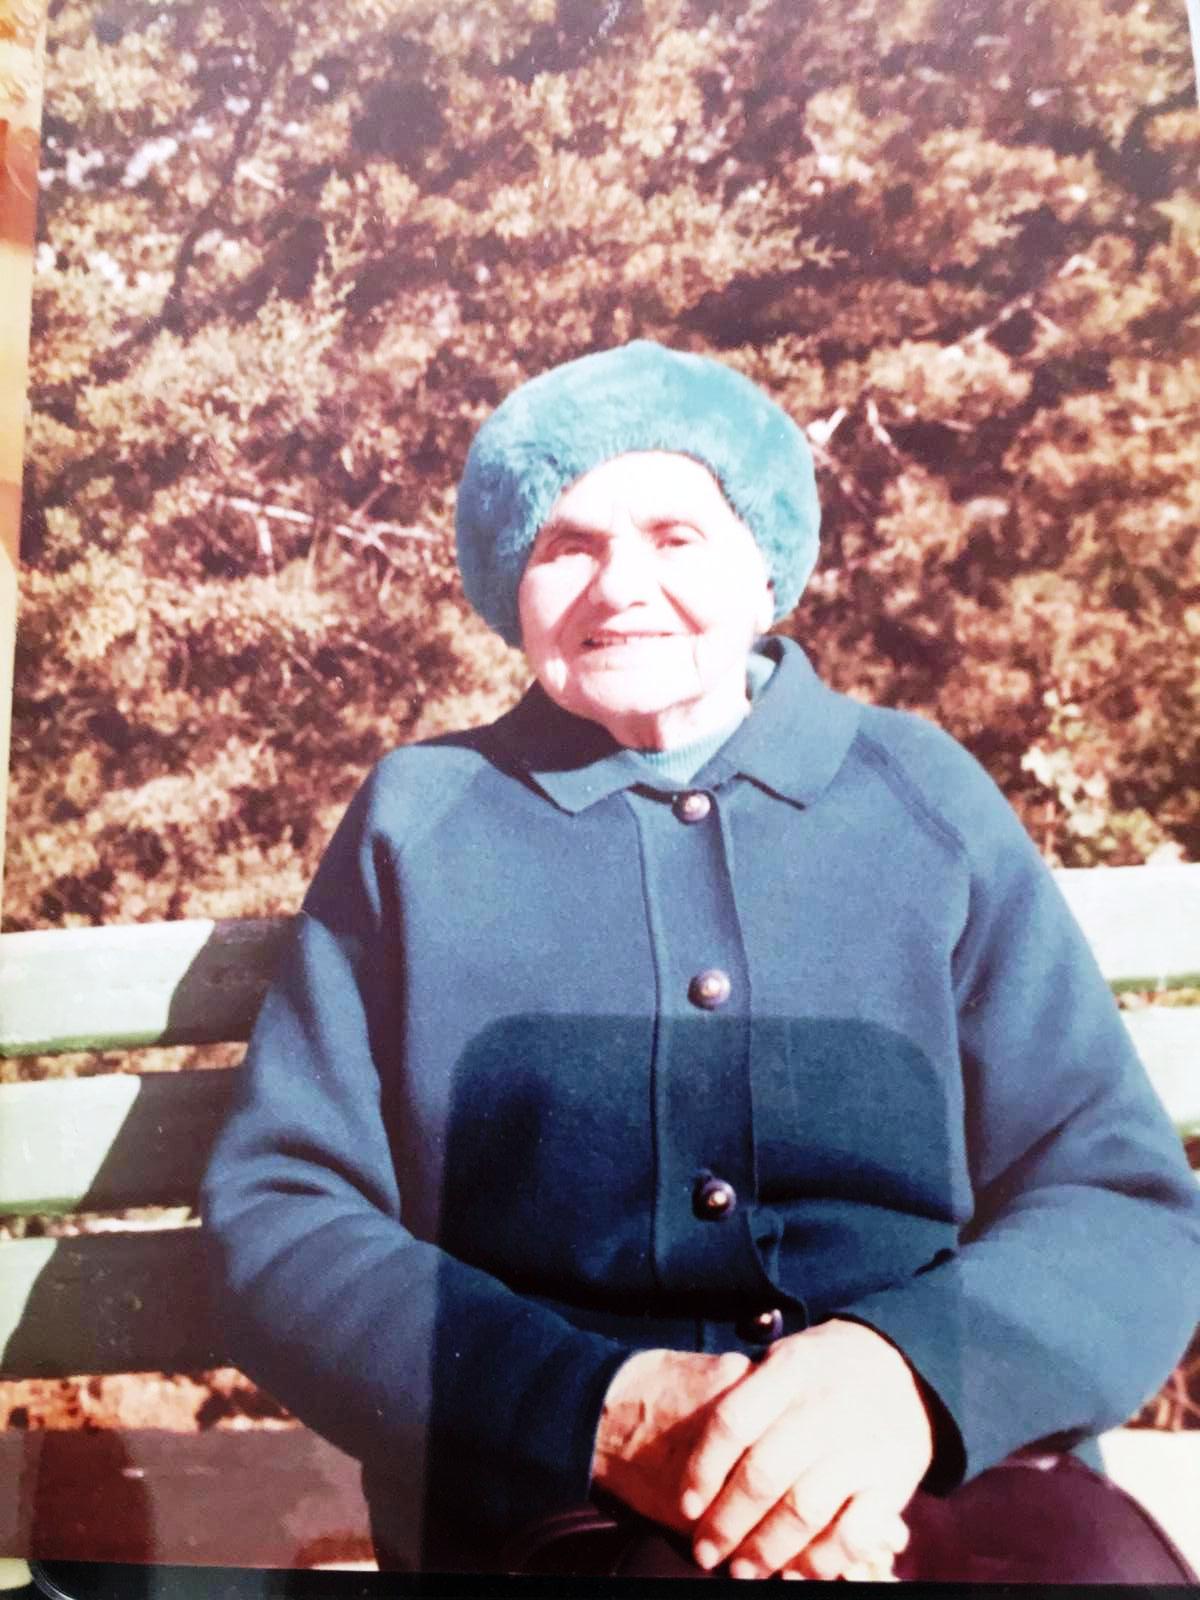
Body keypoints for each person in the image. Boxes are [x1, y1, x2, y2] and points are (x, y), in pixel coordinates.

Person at [201, 340, 1200, 1582]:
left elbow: (1113, 1191)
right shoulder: (421, 824)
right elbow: (284, 1213)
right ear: (510, 578)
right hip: (565, 1500)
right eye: (567, 544)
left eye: (676, 535)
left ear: (764, 561)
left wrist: (904, 1376)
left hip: (948, 1472)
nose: (621, 585)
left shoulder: (921, 797)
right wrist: (601, 1408)